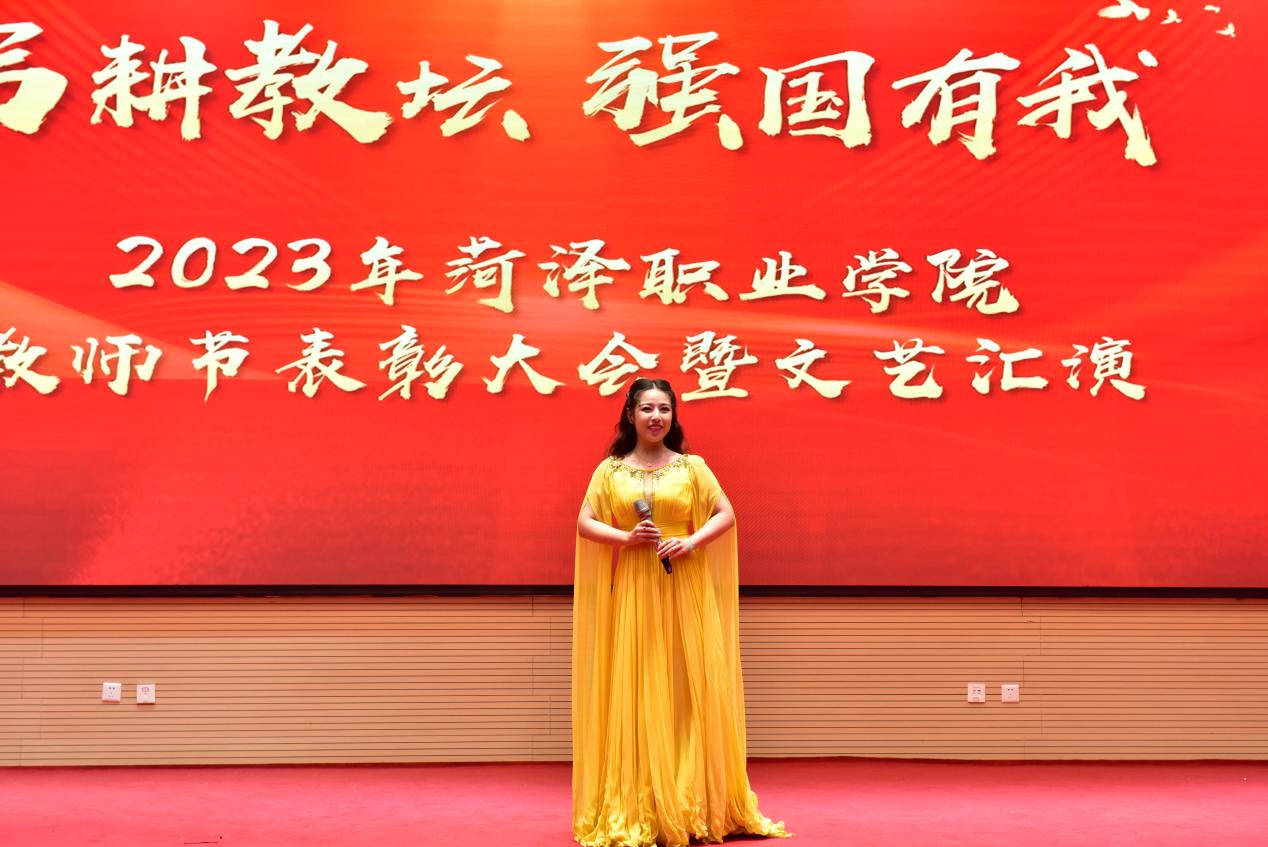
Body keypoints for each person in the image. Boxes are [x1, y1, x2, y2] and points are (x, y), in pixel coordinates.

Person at [572, 377, 789, 847]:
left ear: (673, 415)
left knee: (691, 687)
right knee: (639, 684)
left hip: (685, 583)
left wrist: (690, 541)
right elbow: (585, 522)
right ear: (630, 415)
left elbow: (725, 513)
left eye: (664, 409)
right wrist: (626, 538)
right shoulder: (610, 470)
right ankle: (643, 804)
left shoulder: (692, 467)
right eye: (647, 408)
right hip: (635, 586)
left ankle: (693, 800)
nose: (656, 417)